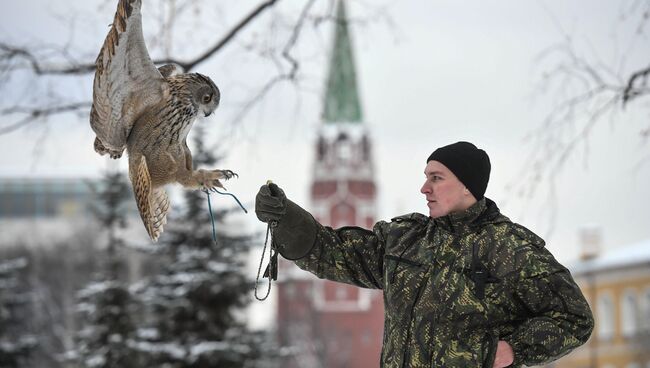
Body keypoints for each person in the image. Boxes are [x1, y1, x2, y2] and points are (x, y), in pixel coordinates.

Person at [255, 141, 594, 368]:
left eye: (436, 177)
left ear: (467, 186)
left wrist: (510, 350)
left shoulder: (509, 247)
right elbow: (334, 252)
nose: (424, 188)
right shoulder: (406, 239)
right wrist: (285, 217)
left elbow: (573, 319)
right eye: (425, 177)